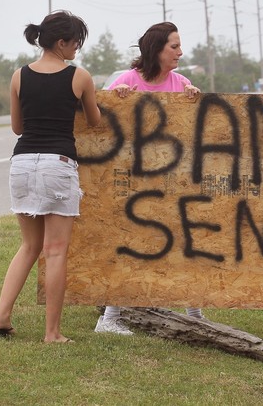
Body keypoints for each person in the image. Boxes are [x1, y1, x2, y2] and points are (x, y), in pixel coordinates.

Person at [0, 10, 101, 343]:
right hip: (57, 164)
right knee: (54, 251)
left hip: (21, 163)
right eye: (76, 42)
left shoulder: (18, 76)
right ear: (61, 42)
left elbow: (17, 127)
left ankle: (1, 317)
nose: (78, 48)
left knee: (29, 246)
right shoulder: (79, 77)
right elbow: (94, 120)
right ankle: (52, 333)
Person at [94, 22, 202, 335]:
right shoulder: (126, 80)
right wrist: (116, 99)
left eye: (180, 46)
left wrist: (196, 102)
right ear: (156, 49)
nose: (180, 52)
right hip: (135, 182)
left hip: (172, 180)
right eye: (174, 46)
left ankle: (195, 314)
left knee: (186, 242)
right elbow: (98, 123)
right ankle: (109, 318)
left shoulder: (181, 83)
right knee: (132, 244)